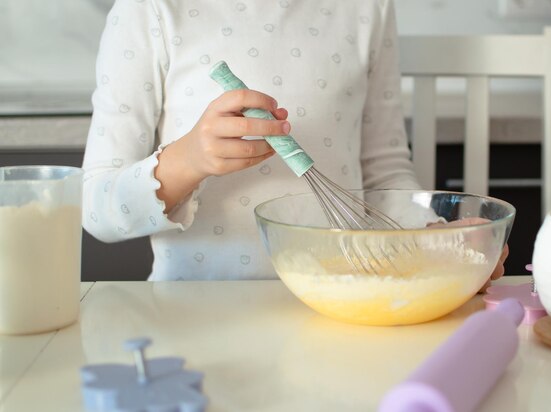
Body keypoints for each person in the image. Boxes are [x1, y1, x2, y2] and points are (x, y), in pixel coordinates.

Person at [82, 0, 508, 283]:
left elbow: (384, 169)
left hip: (344, 305)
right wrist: (188, 160)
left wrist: (436, 242)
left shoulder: (367, 8)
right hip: (198, 316)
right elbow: (96, 209)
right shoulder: (151, 9)